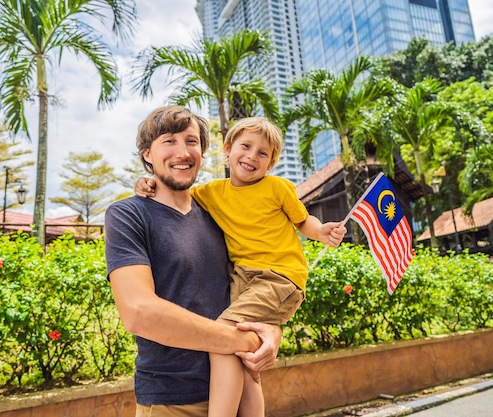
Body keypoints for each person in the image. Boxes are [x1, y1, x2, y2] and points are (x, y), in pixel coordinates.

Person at [135, 116, 347, 417]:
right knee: (243, 356)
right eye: (245, 147)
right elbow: (173, 191)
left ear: (271, 163)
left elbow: (303, 220)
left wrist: (321, 231)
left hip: (279, 277)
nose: (251, 156)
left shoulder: (278, 188)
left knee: (223, 334)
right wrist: (147, 182)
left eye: (263, 153)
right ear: (228, 149)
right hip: (243, 277)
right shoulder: (211, 193)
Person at [104, 106, 282, 417]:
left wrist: (270, 332)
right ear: (148, 155)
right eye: (169, 142)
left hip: (238, 390)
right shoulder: (128, 215)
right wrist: (239, 339)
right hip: (171, 401)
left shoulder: (220, 214)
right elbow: (138, 312)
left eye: (192, 141)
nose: (183, 152)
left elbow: (253, 280)